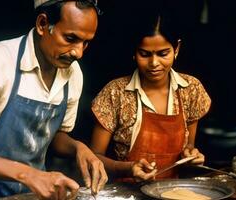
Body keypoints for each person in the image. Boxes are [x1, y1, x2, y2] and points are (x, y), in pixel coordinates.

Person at [0, 0, 108, 199]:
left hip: (26, 194)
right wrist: (28, 174)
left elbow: (54, 137)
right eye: (70, 38)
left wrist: (79, 148)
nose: (78, 52)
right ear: (43, 24)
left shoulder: (72, 74)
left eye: (85, 42)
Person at [90, 11, 211, 182]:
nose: (154, 63)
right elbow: (94, 158)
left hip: (172, 191)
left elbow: (189, 145)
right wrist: (128, 168)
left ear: (176, 49)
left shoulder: (191, 89)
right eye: (145, 54)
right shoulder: (115, 92)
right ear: (134, 52)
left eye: (163, 54)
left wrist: (191, 155)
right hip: (127, 192)